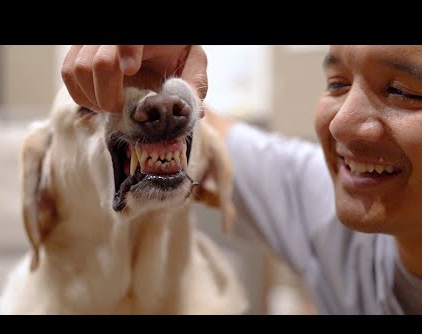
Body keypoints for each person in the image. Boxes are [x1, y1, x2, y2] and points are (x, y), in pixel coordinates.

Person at [62, 45, 422, 315]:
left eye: (404, 92)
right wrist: (152, 71)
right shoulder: (325, 203)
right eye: (337, 84)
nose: (340, 123)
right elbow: (206, 127)